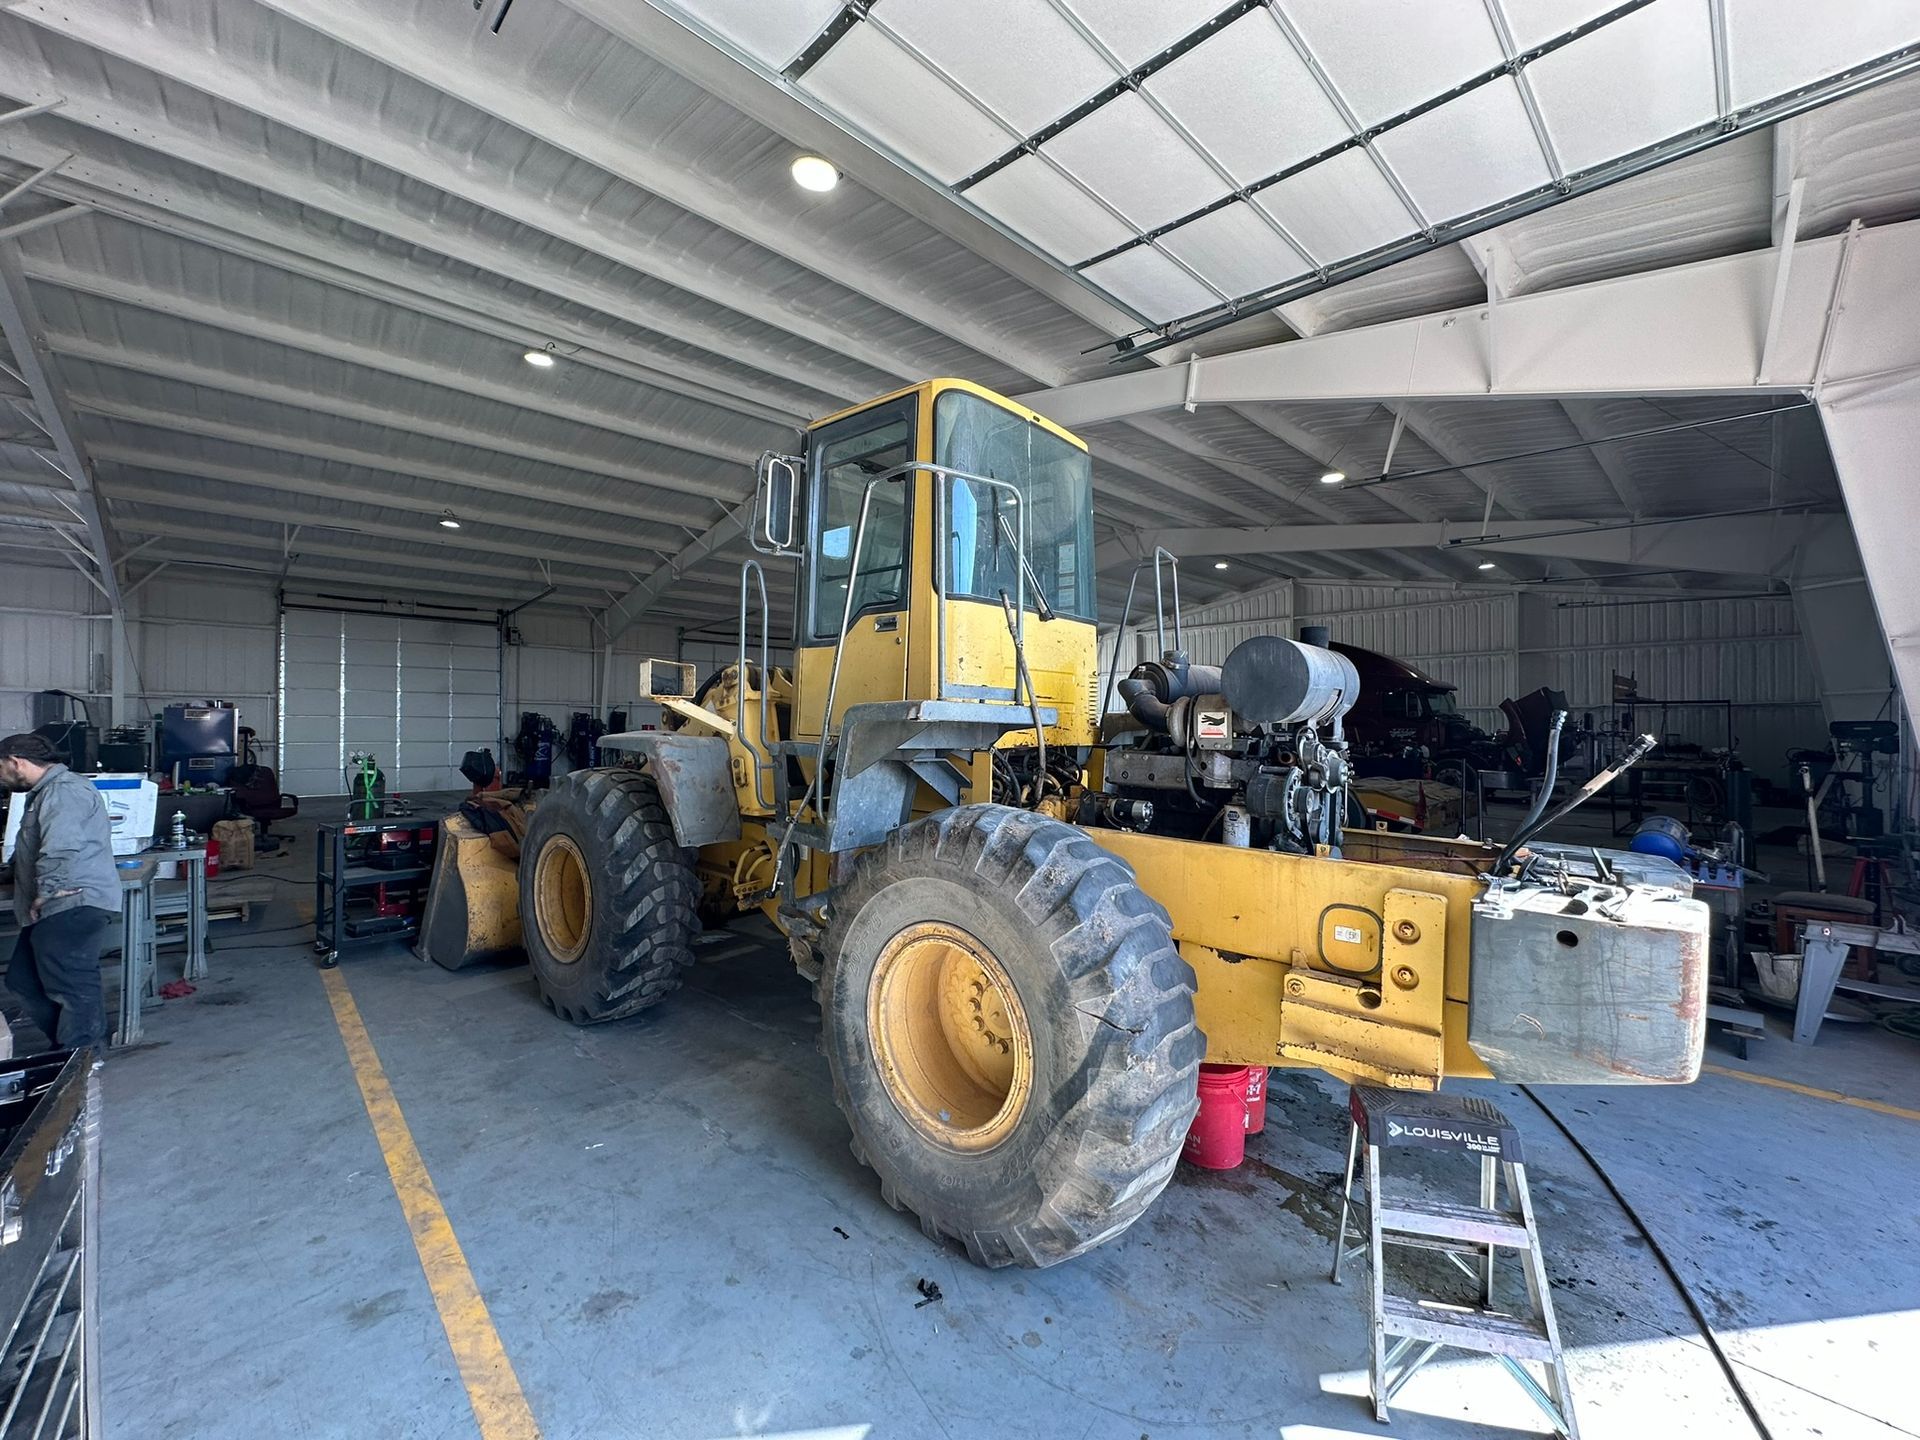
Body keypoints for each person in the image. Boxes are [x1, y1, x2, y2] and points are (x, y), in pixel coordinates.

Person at [0, 734, 118, 1051]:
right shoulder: (45, 792)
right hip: (53, 903)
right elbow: (34, 844)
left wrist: (47, 890)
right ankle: (69, 1049)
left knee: (72, 985)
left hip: (72, 901)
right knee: (22, 981)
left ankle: (83, 1056)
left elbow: (60, 846)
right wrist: (11, 872)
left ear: (15, 762)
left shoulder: (65, 790)